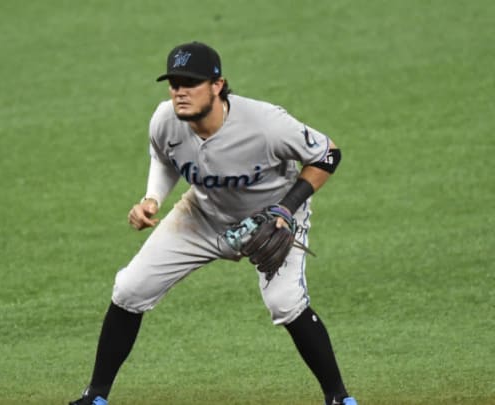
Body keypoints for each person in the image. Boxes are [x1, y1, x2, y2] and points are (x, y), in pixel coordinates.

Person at [69, 41, 357, 405]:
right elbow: (164, 157)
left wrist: (287, 208)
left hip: (274, 218)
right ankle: (95, 396)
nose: (180, 92)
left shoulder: (266, 124)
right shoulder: (165, 120)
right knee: (129, 289)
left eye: (190, 83)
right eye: (174, 83)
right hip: (202, 216)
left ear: (218, 85)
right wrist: (151, 199)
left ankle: (338, 398)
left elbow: (328, 153)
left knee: (285, 302)